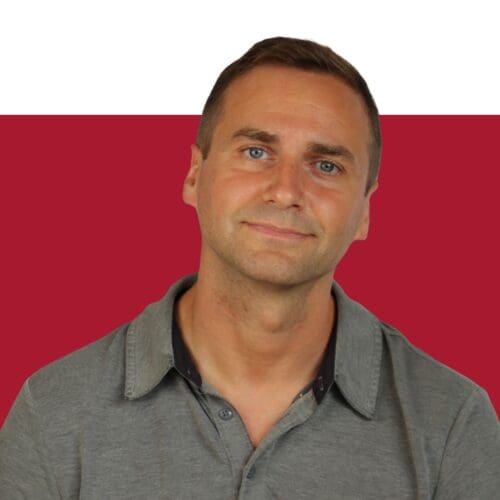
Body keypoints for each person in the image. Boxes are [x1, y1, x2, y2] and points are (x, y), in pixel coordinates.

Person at [1, 37, 499, 500]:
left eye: (326, 165)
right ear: (195, 175)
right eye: (256, 152)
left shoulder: (453, 425)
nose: (286, 191)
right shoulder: (52, 415)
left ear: (365, 210)